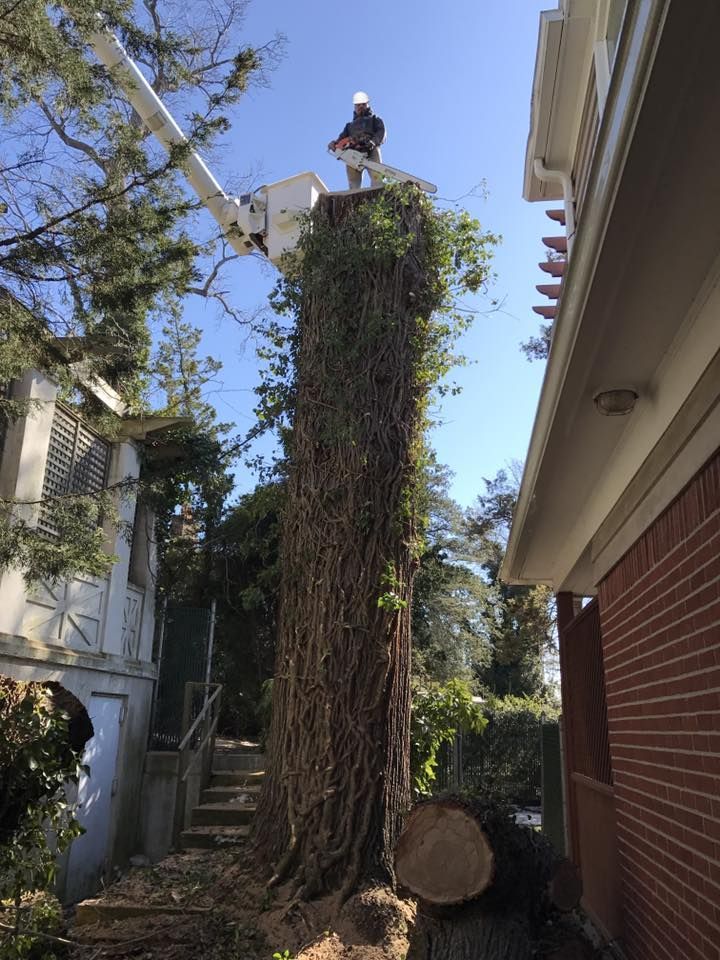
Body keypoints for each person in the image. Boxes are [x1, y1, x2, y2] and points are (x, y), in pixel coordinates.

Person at [328, 91, 386, 190]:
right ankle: (354, 198)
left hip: (370, 148)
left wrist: (373, 142)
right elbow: (341, 139)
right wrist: (334, 144)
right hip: (353, 153)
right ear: (355, 107)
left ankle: (378, 192)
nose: (361, 107)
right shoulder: (349, 126)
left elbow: (381, 132)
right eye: (358, 105)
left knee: (377, 175)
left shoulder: (375, 119)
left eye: (363, 104)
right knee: (353, 182)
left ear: (367, 104)